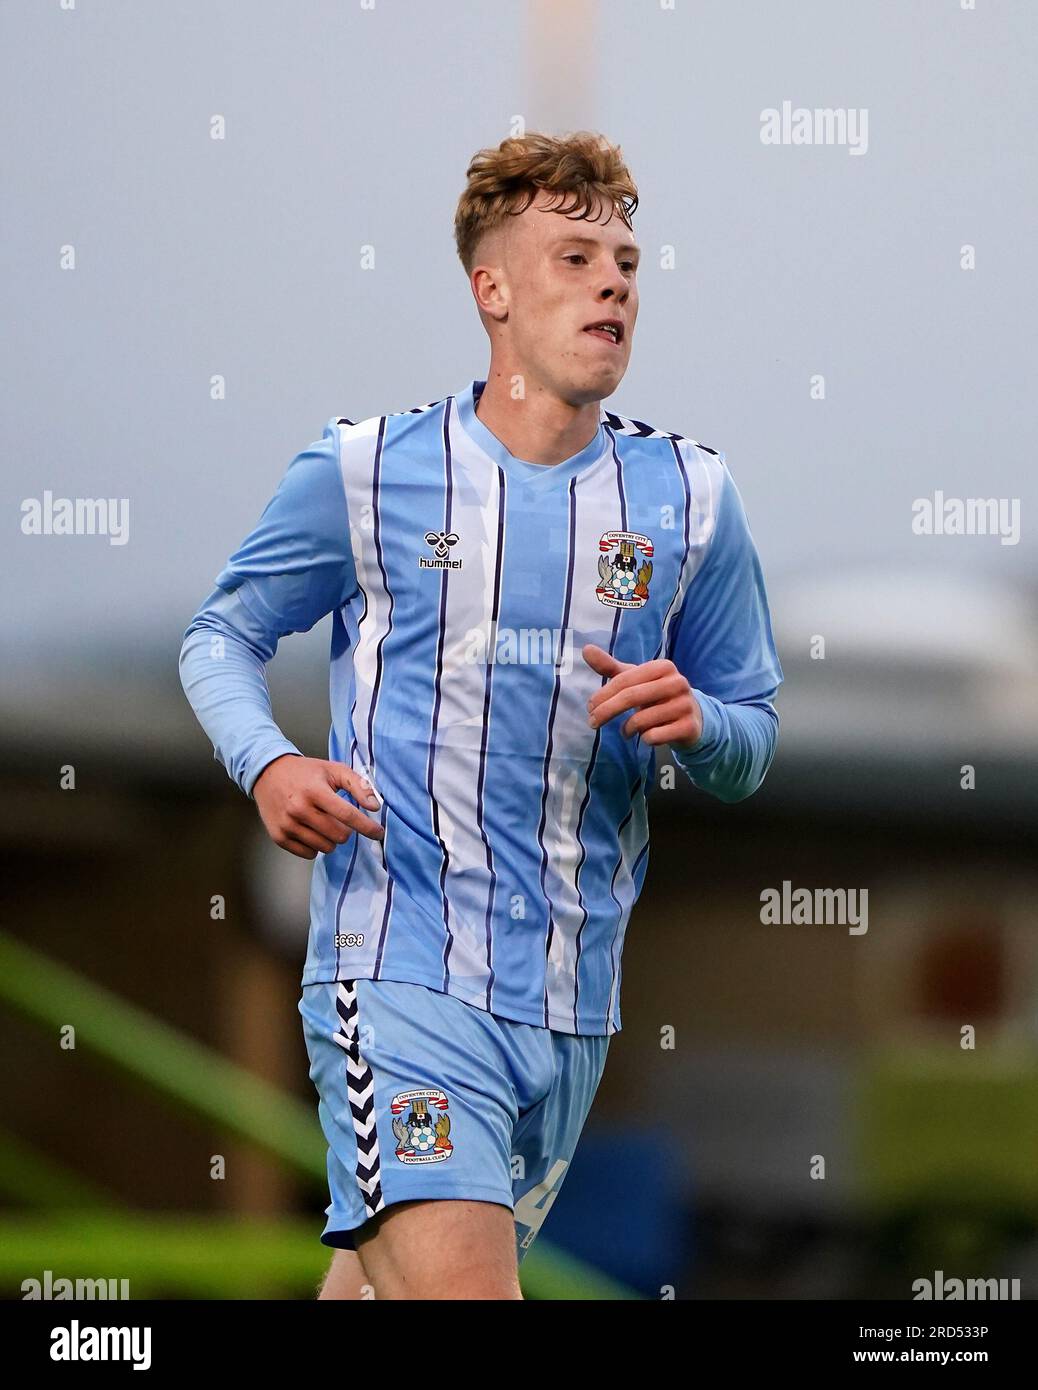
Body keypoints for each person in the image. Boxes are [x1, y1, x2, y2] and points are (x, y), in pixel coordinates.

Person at [178, 130, 783, 1300]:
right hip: (396, 977)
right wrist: (267, 766)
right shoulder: (366, 469)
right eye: (574, 256)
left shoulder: (692, 498)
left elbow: (753, 734)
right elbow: (222, 635)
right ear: (491, 290)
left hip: (570, 1008)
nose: (614, 280)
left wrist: (703, 723)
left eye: (627, 258)